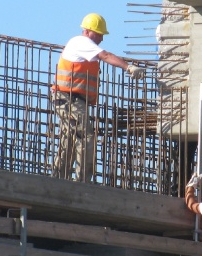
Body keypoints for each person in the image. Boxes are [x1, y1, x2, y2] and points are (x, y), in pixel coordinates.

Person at [53, 13, 145, 182]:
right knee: (86, 137)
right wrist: (128, 67)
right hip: (69, 99)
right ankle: (82, 181)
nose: (102, 38)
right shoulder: (81, 42)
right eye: (99, 34)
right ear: (88, 31)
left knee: (70, 139)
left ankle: (58, 179)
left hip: (70, 100)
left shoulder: (83, 47)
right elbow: (106, 55)